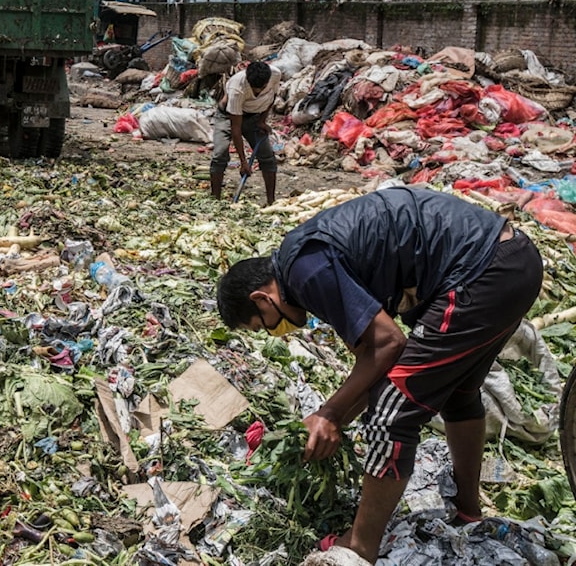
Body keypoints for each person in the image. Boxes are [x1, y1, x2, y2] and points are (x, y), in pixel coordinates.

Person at [215, 186, 543, 566]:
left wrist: (329, 413)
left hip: (482, 272)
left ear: (262, 298)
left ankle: (359, 545)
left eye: (262, 326)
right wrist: (333, 418)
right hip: (514, 259)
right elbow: (373, 359)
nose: (274, 332)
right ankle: (468, 510)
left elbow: (389, 344)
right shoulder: (304, 259)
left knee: (390, 415)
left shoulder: (304, 269)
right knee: (458, 393)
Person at [211, 60, 281, 204]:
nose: (258, 92)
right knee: (220, 154)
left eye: (261, 88)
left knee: (267, 156)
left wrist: (262, 121)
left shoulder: (275, 74)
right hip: (228, 116)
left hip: (254, 115)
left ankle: (271, 201)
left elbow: (271, 98)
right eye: (255, 89)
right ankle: (215, 200)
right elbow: (236, 129)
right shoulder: (237, 88)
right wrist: (243, 162)